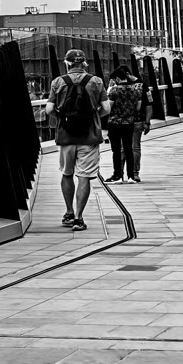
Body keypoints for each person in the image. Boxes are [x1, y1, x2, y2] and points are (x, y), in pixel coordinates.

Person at [46, 49, 106, 231]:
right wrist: (94, 116)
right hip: (89, 136)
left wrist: (62, 118)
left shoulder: (58, 82)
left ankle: (69, 212)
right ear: (84, 63)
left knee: (67, 173)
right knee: (84, 176)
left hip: (66, 136)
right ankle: (79, 218)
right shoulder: (96, 81)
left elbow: (49, 109)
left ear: (67, 63)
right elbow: (106, 108)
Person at [105, 62, 149, 183]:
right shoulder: (136, 90)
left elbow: (108, 108)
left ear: (117, 79)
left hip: (115, 123)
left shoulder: (114, 91)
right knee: (129, 149)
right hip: (129, 123)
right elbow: (138, 107)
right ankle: (131, 176)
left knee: (117, 150)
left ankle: (117, 175)